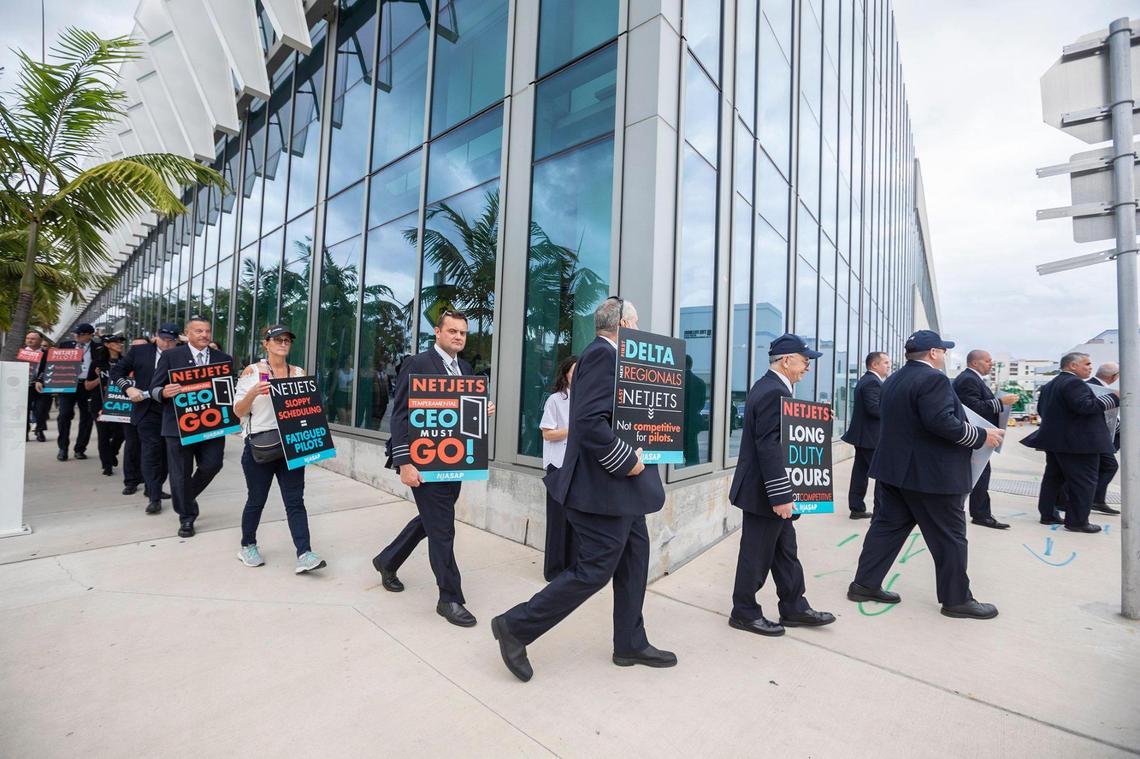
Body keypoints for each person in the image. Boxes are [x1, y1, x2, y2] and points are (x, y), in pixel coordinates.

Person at [491, 298, 676, 683]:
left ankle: (629, 643)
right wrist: (628, 461)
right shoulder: (601, 356)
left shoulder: (619, 361)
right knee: (593, 571)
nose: (640, 330)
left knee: (634, 564)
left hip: (626, 493)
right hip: (603, 489)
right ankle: (516, 626)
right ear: (623, 323)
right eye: (637, 322)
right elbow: (590, 423)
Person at [848, 330, 1004, 620]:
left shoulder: (894, 379)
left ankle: (864, 584)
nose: (944, 355)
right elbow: (941, 421)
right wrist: (981, 436)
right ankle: (956, 599)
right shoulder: (933, 379)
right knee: (950, 538)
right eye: (943, 351)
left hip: (896, 472)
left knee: (886, 529)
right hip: (931, 476)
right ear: (933, 353)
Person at [372, 310, 495, 627]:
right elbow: (400, 415)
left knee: (432, 521)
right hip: (423, 464)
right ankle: (449, 598)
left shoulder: (465, 368)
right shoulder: (418, 363)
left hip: (452, 464)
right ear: (438, 333)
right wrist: (404, 461)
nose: (458, 337)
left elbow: (457, 415)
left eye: (463, 333)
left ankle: (388, 560)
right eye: (452, 331)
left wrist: (481, 410)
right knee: (443, 530)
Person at [728, 334, 836, 637]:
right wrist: (781, 495)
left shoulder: (773, 388)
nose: (808, 368)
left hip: (770, 492)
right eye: (805, 361)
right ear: (786, 359)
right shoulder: (774, 392)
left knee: (785, 550)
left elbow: (782, 437)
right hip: (765, 493)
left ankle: (794, 606)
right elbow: (769, 446)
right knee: (756, 553)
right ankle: (744, 611)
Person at [232, 325, 326, 574]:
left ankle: (305, 553)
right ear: (266, 343)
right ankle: (247, 545)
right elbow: (238, 411)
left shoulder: (298, 373)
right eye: (277, 339)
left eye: (287, 340)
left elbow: (308, 409)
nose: (283, 343)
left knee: (295, 501)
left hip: (292, 445)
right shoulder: (253, 371)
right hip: (260, 446)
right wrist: (253, 392)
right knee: (256, 500)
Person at [150, 316, 235, 538]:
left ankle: (185, 497)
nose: (204, 335)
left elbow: (228, 391)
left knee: (213, 465)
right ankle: (186, 517)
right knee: (179, 475)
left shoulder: (223, 358)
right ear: (187, 333)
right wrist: (164, 392)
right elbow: (154, 388)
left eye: (207, 331)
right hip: (177, 427)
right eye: (198, 331)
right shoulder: (171, 356)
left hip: (211, 425)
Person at [1022, 352, 1119, 532]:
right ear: (1073, 366)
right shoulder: (1074, 383)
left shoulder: (1051, 384)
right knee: (1083, 483)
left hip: (1056, 441)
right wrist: (1114, 398)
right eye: (1087, 364)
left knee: (1053, 479)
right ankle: (1077, 521)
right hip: (1079, 444)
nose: (1090, 367)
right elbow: (1086, 406)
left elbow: (1042, 410)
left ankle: (1048, 515)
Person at [112, 324, 179, 513]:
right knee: (151, 452)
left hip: (172, 410)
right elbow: (116, 372)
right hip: (147, 409)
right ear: (156, 336)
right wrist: (128, 388)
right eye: (164, 339)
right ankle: (154, 496)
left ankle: (154, 487)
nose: (167, 343)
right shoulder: (140, 351)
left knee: (168, 454)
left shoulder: (181, 354)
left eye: (171, 340)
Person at [952, 350, 1018, 530]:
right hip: (974, 436)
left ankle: (978, 512)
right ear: (974, 363)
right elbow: (973, 408)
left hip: (975, 435)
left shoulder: (973, 379)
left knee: (979, 474)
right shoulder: (968, 379)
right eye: (987, 361)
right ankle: (981, 514)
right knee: (979, 474)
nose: (991, 364)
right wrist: (1000, 402)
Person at [539, 355, 578, 581]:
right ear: (565, 374)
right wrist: (574, 429)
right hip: (559, 466)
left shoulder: (588, 399)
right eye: (573, 371)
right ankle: (553, 570)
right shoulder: (555, 400)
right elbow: (547, 433)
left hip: (580, 467)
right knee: (557, 519)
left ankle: (573, 567)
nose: (578, 374)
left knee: (576, 519)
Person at [841, 351, 890, 520]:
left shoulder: (869, 380)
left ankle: (857, 508)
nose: (888, 365)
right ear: (874, 365)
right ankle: (879, 513)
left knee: (860, 473)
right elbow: (873, 409)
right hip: (870, 437)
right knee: (882, 474)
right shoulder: (872, 382)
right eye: (885, 362)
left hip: (864, 436)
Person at [38, 323, 97, 461]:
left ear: (89, 335)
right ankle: (63, 448)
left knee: (87, 418)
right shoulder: (66, 345)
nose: (76, 336)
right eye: (75, 334)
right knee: (64, 415)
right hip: (67, 384)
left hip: (87, 386)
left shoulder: (98, 348)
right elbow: (50, 363)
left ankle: (80, 448)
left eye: (80, 334)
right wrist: (41, 379)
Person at [86, 335, 137, 485]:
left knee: (121, 433)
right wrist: (98, 377)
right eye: (116, 342)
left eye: (121, 342)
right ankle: (107, 465)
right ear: (107, 344)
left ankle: (113, 451)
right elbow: (87, 386)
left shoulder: (126, 362)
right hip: (99, 404)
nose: (120, 344)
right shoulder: (97, 363)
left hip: (120, 403)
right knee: (103, 434)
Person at [1088, 362, 1121, 515]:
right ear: (1115, 377)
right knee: (1109, 466)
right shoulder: (1097, 389)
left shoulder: (1088, 385)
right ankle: (1096, 499)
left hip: (1094, 437)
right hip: (1095, 437)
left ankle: (1094, 499)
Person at [22, 331, 50, 442]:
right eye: (28, 338)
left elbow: (50, 369)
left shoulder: (47, 354)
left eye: (33, 339)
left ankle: (40, 431)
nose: (30, 340)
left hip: (42, 386)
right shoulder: (21, 353)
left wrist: (40, 379)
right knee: (24, 410)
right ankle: (25, 432)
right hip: (25, 386)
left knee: (41, 410)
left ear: (40, 341)